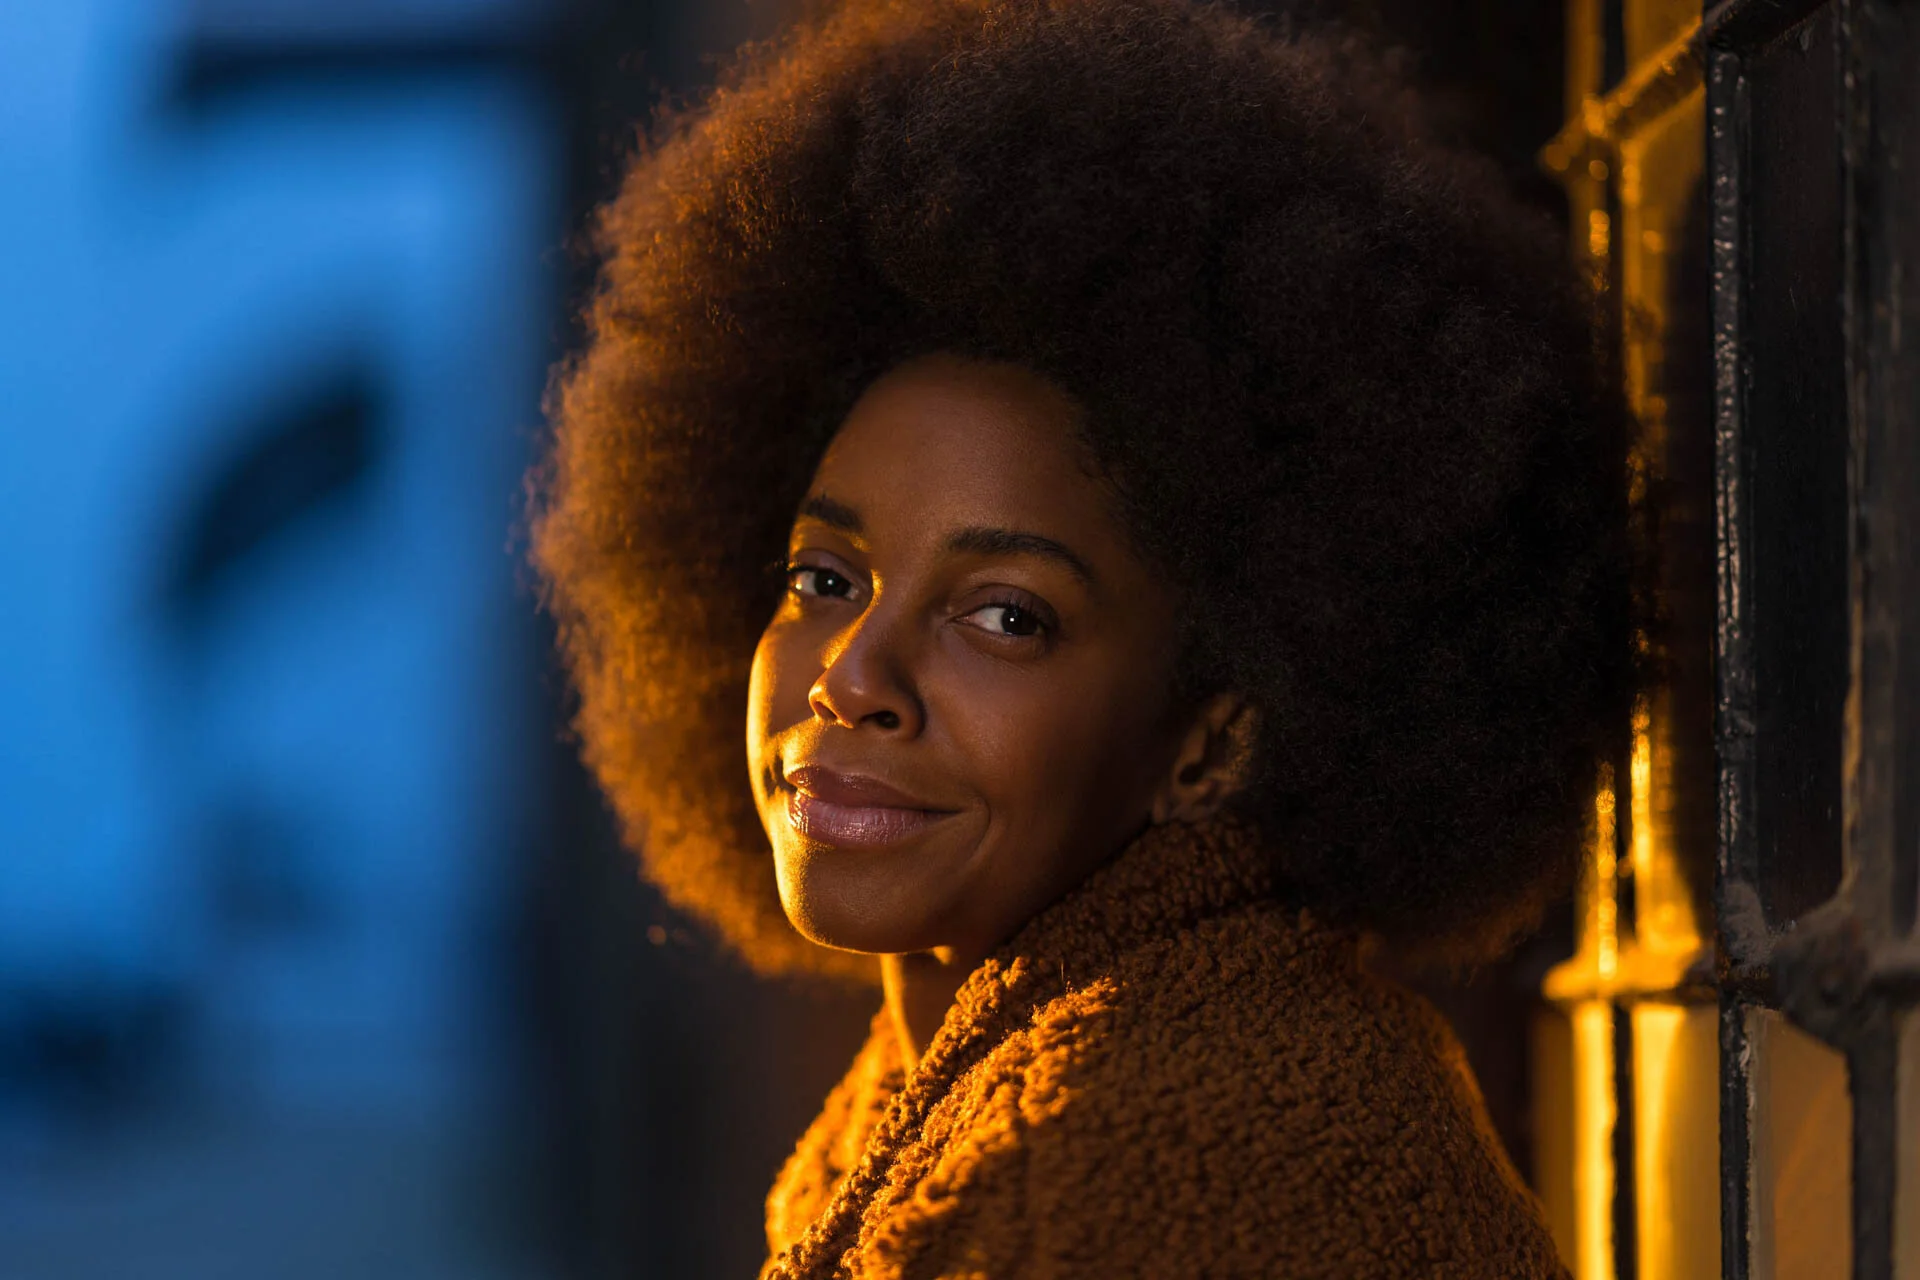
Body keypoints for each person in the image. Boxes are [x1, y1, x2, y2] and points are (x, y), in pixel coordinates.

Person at [530, 0, 1635, 1274]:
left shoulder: (1160, 1176)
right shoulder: (1003, 1068)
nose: (852, 676)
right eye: (826, 576)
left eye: (1008, 615)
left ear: (1213, 738)